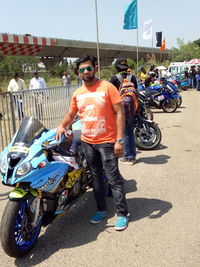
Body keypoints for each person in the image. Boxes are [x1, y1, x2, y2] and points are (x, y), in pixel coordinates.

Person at [56, 55, 129, 231]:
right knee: (95, 178)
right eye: (82, 70)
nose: (85, 72)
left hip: (107, 142)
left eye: (88, 68)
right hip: (88, 142)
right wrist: (61, 126)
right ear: (78, 73)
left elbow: (120, 113)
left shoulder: (107, 87)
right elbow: (71, 113)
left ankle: (122, 213)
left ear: (95, 68)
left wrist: (119, 140)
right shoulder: (78, 93)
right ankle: (101, 210)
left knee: (113, 178)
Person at [109, 58, 137, 165]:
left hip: (120, 109)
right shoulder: (132, 77)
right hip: (131, 108)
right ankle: (133, 155)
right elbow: (136, 93)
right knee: (130, 132)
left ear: (116, 68)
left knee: (124, 132)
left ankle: (128, 157)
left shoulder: (114, 79)